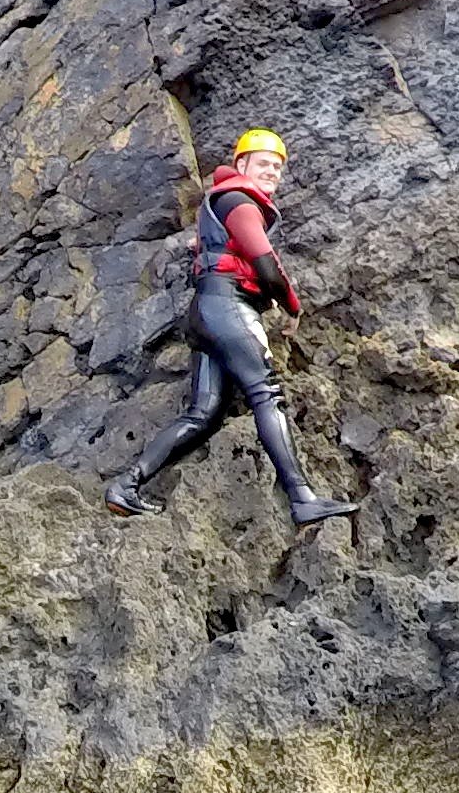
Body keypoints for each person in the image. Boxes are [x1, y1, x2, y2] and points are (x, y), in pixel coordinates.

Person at [106, 128, 351, 526]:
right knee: (267, 395)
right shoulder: (238, 199)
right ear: (241, 164)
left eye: (277, 166)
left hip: (205, 313)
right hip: (228, 308)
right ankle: (302, 498)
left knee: (203, 413)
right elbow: (264, 260)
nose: (272, 171)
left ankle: (126, 487)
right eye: (264, 163)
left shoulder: (220, 204)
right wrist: (291, 305)